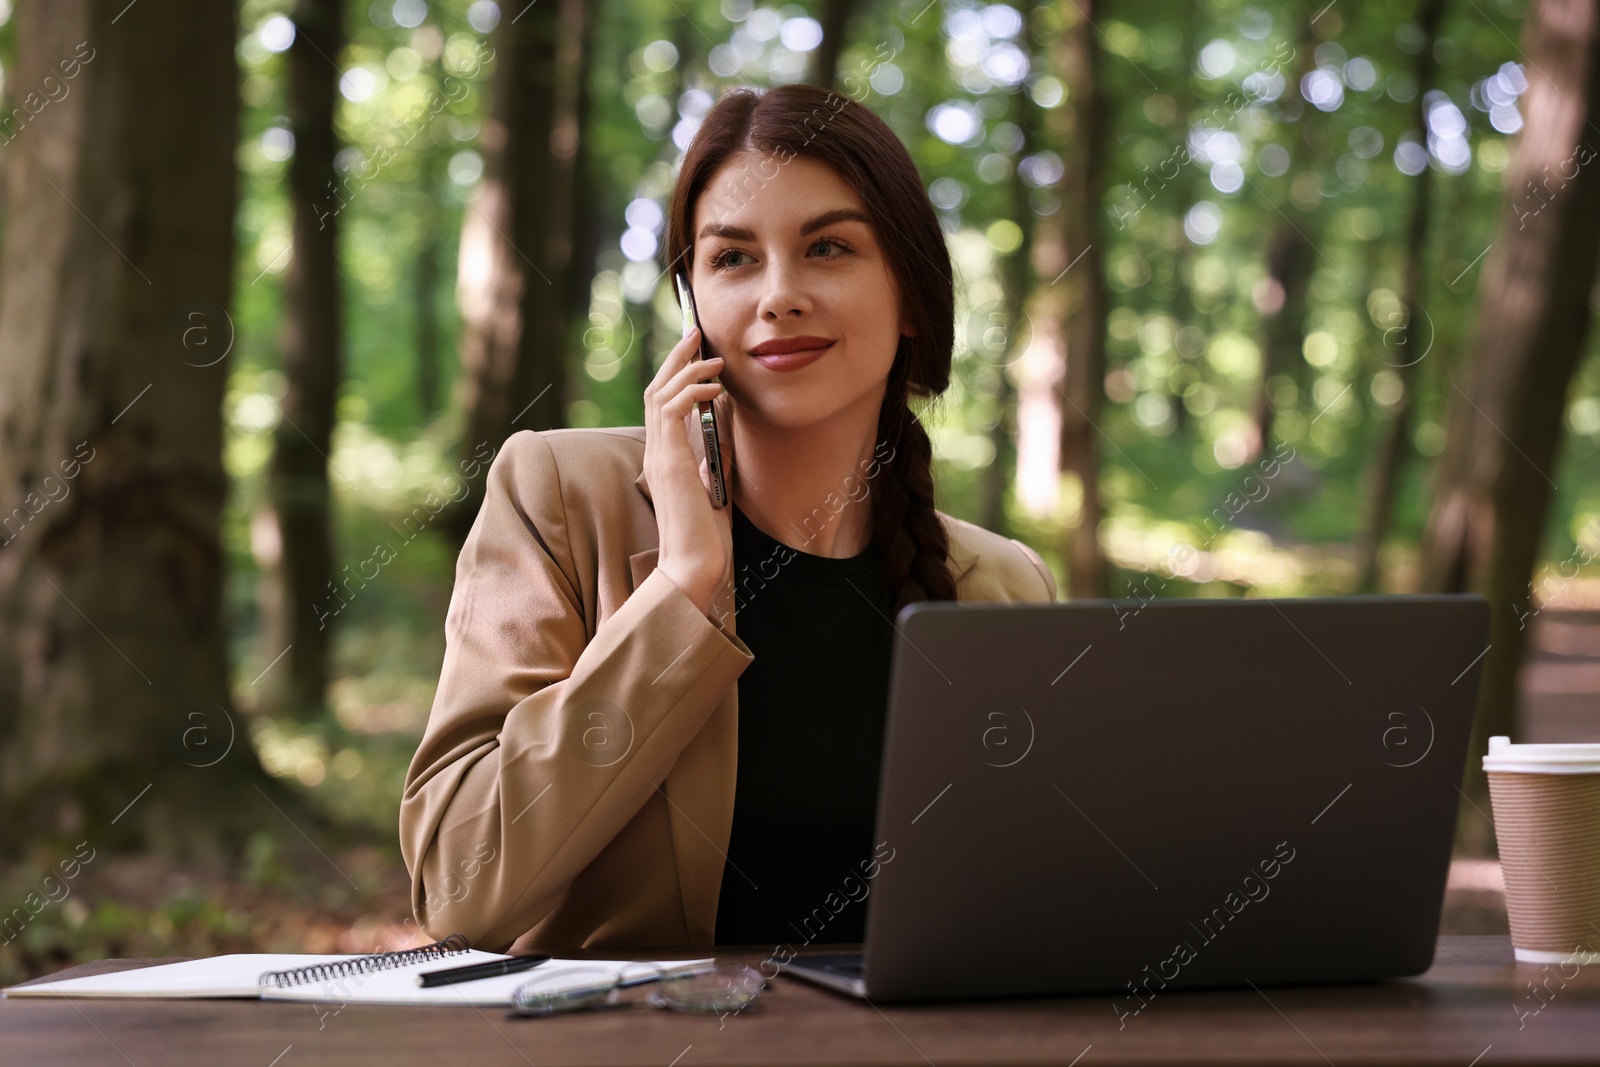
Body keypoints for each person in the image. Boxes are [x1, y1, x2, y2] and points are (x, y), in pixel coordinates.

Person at [399, 83, 1057, 955]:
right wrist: (682, 586)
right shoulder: (561, 493)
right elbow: (460, 883)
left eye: (828, 247)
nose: (779, 295)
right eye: (734, 258)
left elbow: (1038, 907)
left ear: (910, 295)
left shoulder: (1004, 585)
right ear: (695, 307)